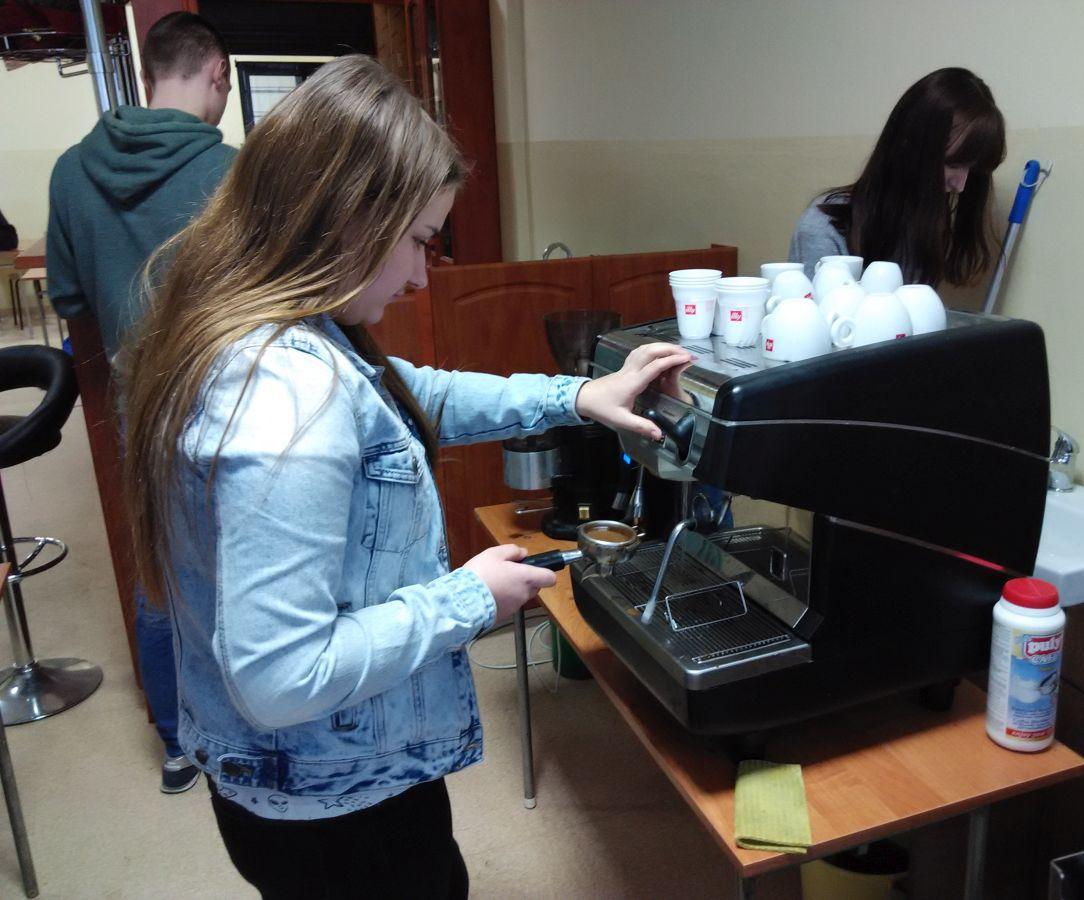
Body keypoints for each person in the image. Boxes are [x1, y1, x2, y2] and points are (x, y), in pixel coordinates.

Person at [120, 55, 691, 897]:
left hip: (287, 781)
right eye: (420, 240)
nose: (424, 275)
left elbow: (412, 394)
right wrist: (470, 599)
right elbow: (280, 675)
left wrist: (577, 395)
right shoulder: (289, 396)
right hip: (332, 800)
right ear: (347, 215)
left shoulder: (270, 328)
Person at [47, 11, 236, 794]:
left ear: (149, 74)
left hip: (141, 402)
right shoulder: (230, 171)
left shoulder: (70, 172)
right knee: (242, 559)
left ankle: (176, 745)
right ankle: (249, 728)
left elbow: (68, 299)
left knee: (161, 574)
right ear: (218, 74)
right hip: (234, 396)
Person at [789, 67, 1006, 287]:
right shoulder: (823, 229)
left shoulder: (924, 222)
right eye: (952, 165)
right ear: (908, 148)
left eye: (972, 170)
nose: (960, 186)